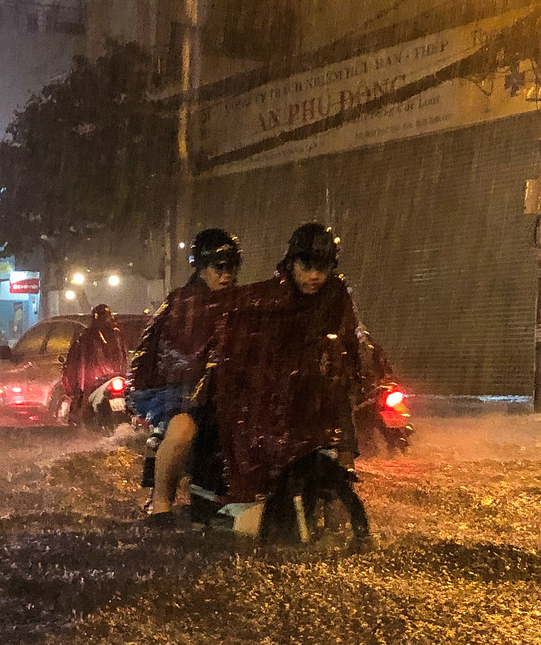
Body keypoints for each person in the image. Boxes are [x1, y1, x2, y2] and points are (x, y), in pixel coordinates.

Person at [197, 221, 380, 537]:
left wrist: (350, 373)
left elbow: (350, 343)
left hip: (320, 391)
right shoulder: (269, 297)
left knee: (341, 440)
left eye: (321, 268)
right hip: (275, 395)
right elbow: (243, 337)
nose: (314, 276)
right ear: (291, 263)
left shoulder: (336, 295)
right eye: (306, 266)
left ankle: (333, 504)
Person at [129, 227, 241, 517]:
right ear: (202, 269)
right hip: (179, 391)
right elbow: (166, 351)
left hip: (227, 390)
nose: (226, 275)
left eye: (231, 267)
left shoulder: (240, 302)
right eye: (219, 267)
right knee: (182, 431)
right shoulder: (182, 303)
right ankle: (161, 502)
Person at [59, 303, 128, 424]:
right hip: (106, 380)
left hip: (100, 382)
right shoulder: (91, 336)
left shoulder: (89, 336)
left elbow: (79, 364)